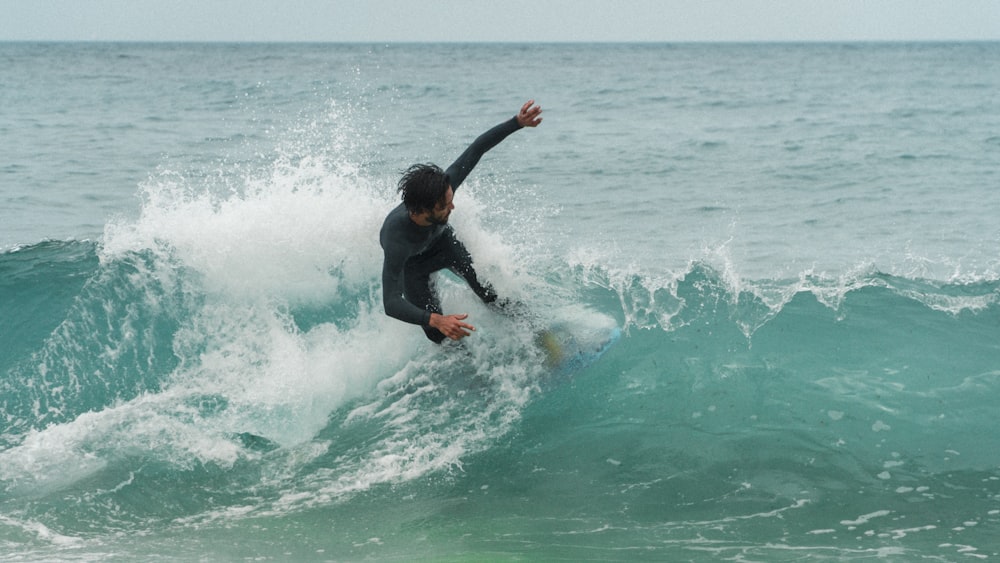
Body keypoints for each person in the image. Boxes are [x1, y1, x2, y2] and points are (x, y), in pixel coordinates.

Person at [380, 100, 543, 343]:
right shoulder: (396, 239)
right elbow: (391, 303)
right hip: (413, 268)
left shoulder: (442, 187)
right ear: (423, 210)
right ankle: (462, 368)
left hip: (444, 245)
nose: (453, 205)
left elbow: (476, 149)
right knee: (437, 332)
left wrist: (516, 123)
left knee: (488, 292)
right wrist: (435, 319)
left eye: (450, 199)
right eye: (445, 206)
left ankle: (538, 333)